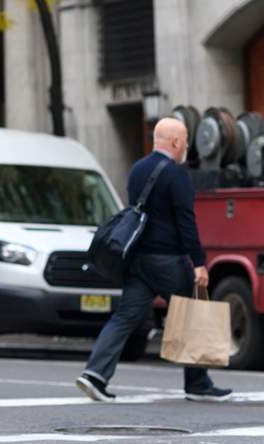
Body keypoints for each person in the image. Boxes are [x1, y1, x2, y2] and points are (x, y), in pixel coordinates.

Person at [76, 117, 233, 403]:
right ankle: (198, 383)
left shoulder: (137, 169)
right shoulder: (176, 175)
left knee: (124, 317)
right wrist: (198, 262)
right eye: (185, 139)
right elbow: (186, 222)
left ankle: (94, 375)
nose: (187, 145)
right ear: (174, 142)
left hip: (138, 260)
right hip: (167, 260)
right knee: (193, 312)